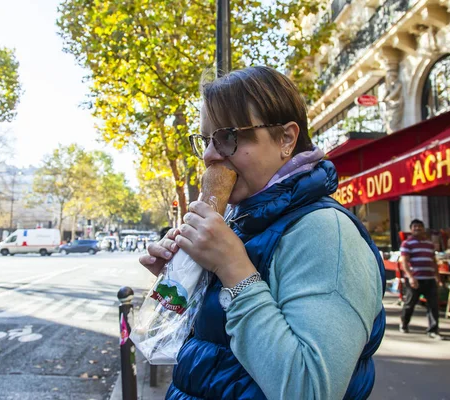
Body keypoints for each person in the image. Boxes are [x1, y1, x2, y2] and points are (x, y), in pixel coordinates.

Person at [140, 66, 385, 399]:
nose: (211, 155)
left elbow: (310, 390)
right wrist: (184, 280)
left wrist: (232, 268)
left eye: (227, 137)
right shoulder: (244, 221)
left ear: (286, 138)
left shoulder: (326, 233)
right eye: (205, 141)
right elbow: (211, 355)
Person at [399, 219, 443, 339]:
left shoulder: (429, 244)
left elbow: (433, 262)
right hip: (415, 280)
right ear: (411, 229)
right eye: (415, 227)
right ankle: (404, 323)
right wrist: (411, 277)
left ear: (423, 228)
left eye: (419, 227)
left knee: (433, 305)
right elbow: (404, 262)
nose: (417, 229)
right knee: (410, 304)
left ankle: (433, 330)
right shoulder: (407, 244)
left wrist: (437, 277)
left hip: (429, 278)